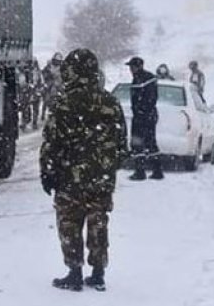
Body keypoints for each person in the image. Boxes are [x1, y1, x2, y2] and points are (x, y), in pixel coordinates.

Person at [40, 48, 127, 292]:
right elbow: (122, 141)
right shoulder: (110, 101)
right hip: (101, 177)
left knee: (69, 222)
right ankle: (98, 273)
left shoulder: (64, 103)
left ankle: (75, 272)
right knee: (98, 220)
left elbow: (51, 141)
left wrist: (47, 171)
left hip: (69, 176)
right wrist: (109, 166)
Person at [126, 57, 163, 181]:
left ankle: (140, 171)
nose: (130, 69)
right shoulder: (143, 78)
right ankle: (157, 170)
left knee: (138, 143)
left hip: (143, 116)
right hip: (147, 115)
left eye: (132, 67)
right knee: (150, 142)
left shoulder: (144, 79)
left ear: (138, 66)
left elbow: (149, 99)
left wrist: (141, 111)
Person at [41, 53, 64, 121]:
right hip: (50, 87)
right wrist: (50, 81)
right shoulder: (48, 67)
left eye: (59, 60)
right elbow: (44, 75)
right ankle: (48, 114)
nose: (58, 62)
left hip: (60, 87)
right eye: (56, 60)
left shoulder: (62, 68)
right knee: (48, 101)